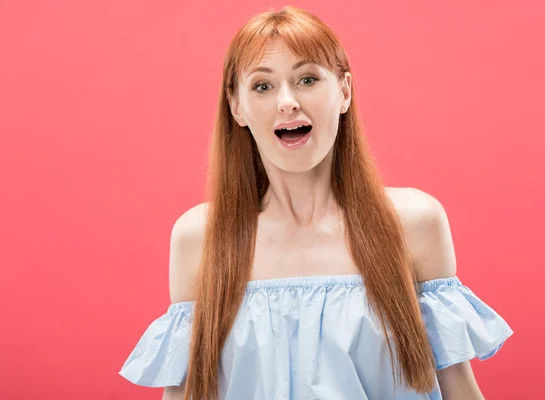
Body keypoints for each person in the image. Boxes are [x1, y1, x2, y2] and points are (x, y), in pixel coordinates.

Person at [119, 5, 513, 400]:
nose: (287, 102)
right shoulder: (199, 238)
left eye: (307, 79)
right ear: (236, 106)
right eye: (262, 86)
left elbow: (458, 388)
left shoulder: (414, 223)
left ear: (344, 91)